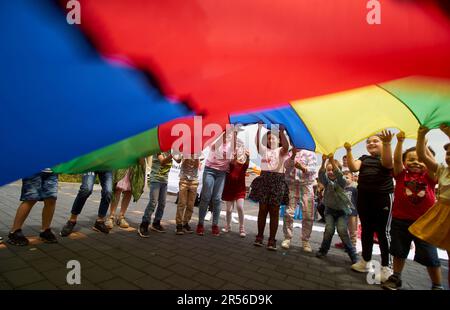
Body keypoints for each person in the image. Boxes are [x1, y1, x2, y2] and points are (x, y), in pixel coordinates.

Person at [379, 129, 443, 290]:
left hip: (424, 223)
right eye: (411, 159)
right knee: (399, 251)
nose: (416, 162)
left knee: (430, 256)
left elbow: (431, 163)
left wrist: (425, 148)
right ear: (405, 162)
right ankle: (396, 277)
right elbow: (397, 161)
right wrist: (399, 142)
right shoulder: (401, 175)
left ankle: (437, 285)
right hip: (400, 221)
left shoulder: (430, 177)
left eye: (420, 159)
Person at [345, 132, 394, 283]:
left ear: (383, 143)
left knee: (383, 232)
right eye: (369, 142)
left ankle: (387, 267)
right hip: (364, 198)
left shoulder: (386, 157)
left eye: (375, 141)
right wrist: (348, 150)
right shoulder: (364, 158)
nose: (371, 143)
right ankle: (365, 261)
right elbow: (353, 168)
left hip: (382, 198)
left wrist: (387, 144)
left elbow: (387, 164)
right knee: (366, 230)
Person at [409, 124, 450, 288]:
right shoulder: (442, 170)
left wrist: (448, 133)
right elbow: (422, 155)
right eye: (447, 153)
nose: (449, 156)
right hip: (442, 215)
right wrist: (421, 136)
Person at [249, 123, 289, 250]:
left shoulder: (281, 151)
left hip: (277, 180)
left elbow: (286, 146)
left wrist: (282, 132)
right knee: (263, 210)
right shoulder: (264, 150)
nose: (271, 140)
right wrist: (259, 128)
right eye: (269, 138)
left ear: (279, 140)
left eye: (274, 138)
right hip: (265, 178)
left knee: (274, 211)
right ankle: (259, 236)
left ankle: (272, 239)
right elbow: (256, 143)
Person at [315, 154, 358, 264]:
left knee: (342, 230)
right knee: (329, 230)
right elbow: (321, 174)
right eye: (328, 170)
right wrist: (324, 162)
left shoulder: (342, 182)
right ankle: (323, 250)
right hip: (329, 211)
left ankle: (352, 253)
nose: (330, 172)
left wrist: (332, 161)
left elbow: (339, 175)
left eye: (332, 169)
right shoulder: (326, 182)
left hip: (341, 212)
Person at [196, 128, 235, 236]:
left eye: (230, 134)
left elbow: (233, 160)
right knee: (206, 197)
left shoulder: (232, 146)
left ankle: (215, 225)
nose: (228, 135)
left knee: (217, 199)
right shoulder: (215, 140)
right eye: (227, 133)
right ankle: (200, 224)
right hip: (210, 170)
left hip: (221, 173)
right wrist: (224, 132)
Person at [8, 169, 58, 245]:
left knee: (51, 199)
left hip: (52, 170)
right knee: (30, 199)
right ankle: (14, 231)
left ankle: (45, 230)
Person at [138, 152, 179, 237]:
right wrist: (172, 155)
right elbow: (162, 161)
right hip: (155, 179)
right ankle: (144, 224)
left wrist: (180, 152)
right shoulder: (158, 150)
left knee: (162, 204)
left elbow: (178, 161)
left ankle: (156, 223)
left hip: (164, 181)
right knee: (153, 202)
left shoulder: (170, 151)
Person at [60, 171, 113, 236]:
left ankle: (99, 222)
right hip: (91, 164)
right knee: (86, 190)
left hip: (106, 165)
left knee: (108, 192)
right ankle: (72, 220)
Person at [106, 158, 146, 229]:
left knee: (129, 191)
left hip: (136, 165)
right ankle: (111, 216)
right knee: (118, 189)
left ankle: (121, 217)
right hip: (123, 161)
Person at [221, 138, 250, 238]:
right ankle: (228, 226)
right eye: (236, 147)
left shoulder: (244, 164)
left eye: (240, 148)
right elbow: (230, 164)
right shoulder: (231, 162)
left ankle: (242, 227)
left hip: (240, 189)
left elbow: (246, 163)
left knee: (240, 207)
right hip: (229, 188)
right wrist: (233, 156)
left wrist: (248, 156)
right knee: (228, 210)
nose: (238, 150)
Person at [282, 147, 307, 249]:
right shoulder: (288, 152)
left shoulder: (309, 153)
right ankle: (287, 238)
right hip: (291, 186)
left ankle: (305, 241)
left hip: (305, 186)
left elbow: (313, 172)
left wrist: (303, 168)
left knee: (307, 215)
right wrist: (293, 155)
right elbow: (285, 165)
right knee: (289, 213)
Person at [175, 154, 200, 235]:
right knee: (182, 203)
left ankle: (185, 223)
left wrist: (195, 156)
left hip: (194, 181)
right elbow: (181, 163)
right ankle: (179, 225)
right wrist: (186, 155)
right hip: (183, 180)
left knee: (191, 204)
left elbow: (196, 166)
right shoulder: (183, 151)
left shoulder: (198, 152)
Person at [335, 171, 358, 249]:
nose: (345, 179)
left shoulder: (354, 188)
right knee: (342, 228)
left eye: (347, 178)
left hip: (352, 213)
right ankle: (345, 242)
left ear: (352, 178)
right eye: (343, 178)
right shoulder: (341, 188)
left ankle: (353, 244)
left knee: (353, 230)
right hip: (343, 212)